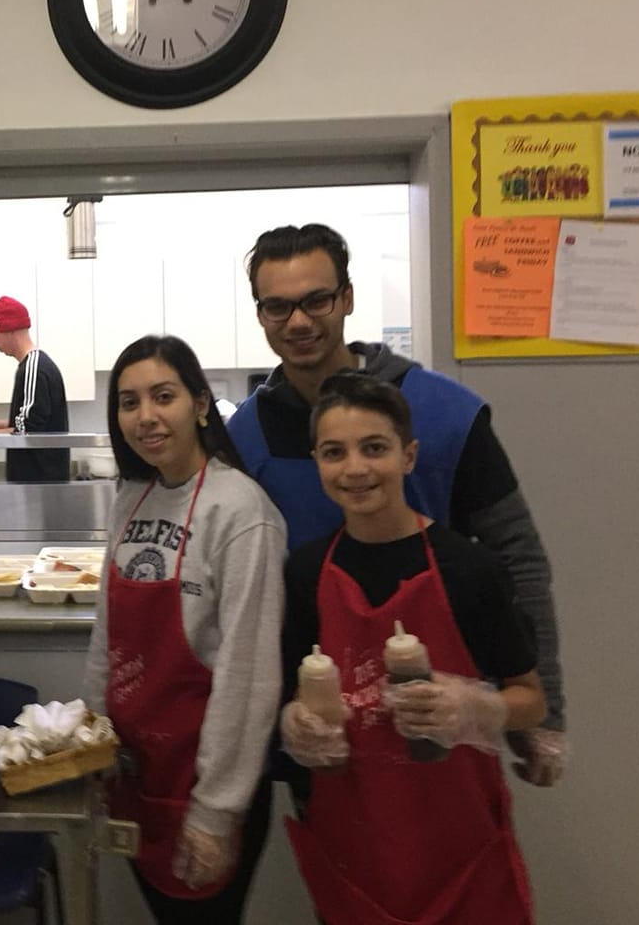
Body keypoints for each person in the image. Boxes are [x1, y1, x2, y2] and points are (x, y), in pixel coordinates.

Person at [226, 222, 567, 786]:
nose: (299, 322)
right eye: (278, 307)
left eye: (317, 300)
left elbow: (520, 558)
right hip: (326, 735)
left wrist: (541, 713)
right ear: (260, 315)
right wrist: (285, 720)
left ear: (347, 298)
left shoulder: (446, 414)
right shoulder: (246, 437)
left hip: (441, 726)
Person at [279, 373, 545, 924]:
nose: (355, 469)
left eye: (374, 448)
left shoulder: (470, 570)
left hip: (460, 851)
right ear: (317, 462)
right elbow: (289, 692)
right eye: (334, 452)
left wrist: (477, 707)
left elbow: (531, 700)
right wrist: (297, 725)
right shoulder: (305, 573)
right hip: (355, 853)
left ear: (409, 456)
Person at [81, 335, 285, 925]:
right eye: (129, 402)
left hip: (202, 775)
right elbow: (106, 639)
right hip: (136, 769)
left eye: (163, 396)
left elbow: (249, 675)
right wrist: (93, 744)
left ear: (199, 404)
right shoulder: (131, 498)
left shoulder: (241, 511)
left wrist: (215, 811)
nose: (145, 416)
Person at [0, 295, 70, 481]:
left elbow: (25, 431)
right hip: (37, 483)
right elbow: (23, 423)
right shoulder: (34, 366)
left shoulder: (34, 369)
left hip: (37, 482)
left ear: (10, 330)